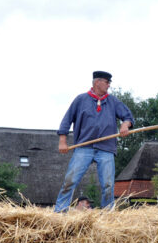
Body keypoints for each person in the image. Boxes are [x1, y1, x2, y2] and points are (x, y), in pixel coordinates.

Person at [54, 71, 134, 212]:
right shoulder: (81, 100)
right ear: (97, 82)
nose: (109, 85)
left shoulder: (113, 101)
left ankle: (108, 214)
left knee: (108, 185)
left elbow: (128, 117)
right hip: (84, 147)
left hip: (106, 148)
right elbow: (67, 120)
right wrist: (62, 140)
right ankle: (60, 211)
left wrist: (125, 125)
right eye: (107, 82)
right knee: (70, 181)